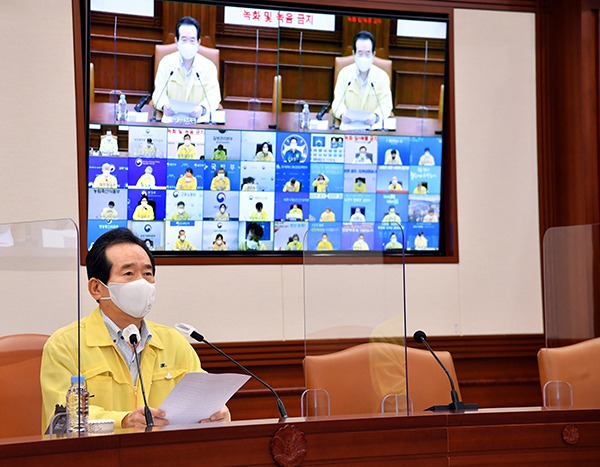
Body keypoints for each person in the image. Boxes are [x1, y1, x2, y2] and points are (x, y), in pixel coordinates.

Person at [40, 228, 229, 431]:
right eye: (129, 273)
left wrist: (217, 412)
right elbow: (62, 418)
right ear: (96, 288)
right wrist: (123, 421)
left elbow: (203, 399)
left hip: (162, 449)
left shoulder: (174, 342)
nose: (142, 283)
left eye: (147, 274)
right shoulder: (66, 344)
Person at [152, 16, 221, 118]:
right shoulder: (166, 63)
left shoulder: (209, 67)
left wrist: (202, 109)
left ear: (198, 43)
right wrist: (164, 106)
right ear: (176, 41)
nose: (188, 44)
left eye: (192, 40)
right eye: (184, 40)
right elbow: (158, 92)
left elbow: (214, 96)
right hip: (171, 120)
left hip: (198, 121)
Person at [331, 30, 393, 125]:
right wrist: (342, 114)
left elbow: (386, 105)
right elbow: (337, 102)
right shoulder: (344, 74)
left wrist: (376, 116)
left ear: (373, 54)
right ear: (354, 54)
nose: (364, 58)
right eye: (360, 53)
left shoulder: (382, 76)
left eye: (367, 53)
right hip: (348, 127)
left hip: (373, 128)